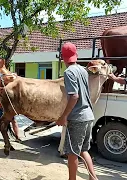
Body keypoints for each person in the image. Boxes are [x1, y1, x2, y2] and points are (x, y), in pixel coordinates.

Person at [56, 42, 98, 180]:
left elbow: (74, 96)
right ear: (76, 55)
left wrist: (63, 116)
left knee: (72, 153)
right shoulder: (83, 70)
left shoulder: (68, 72)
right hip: (88, 116)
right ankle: (93, 178)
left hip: (77, 118)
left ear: (63, 58)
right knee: (83, 150)